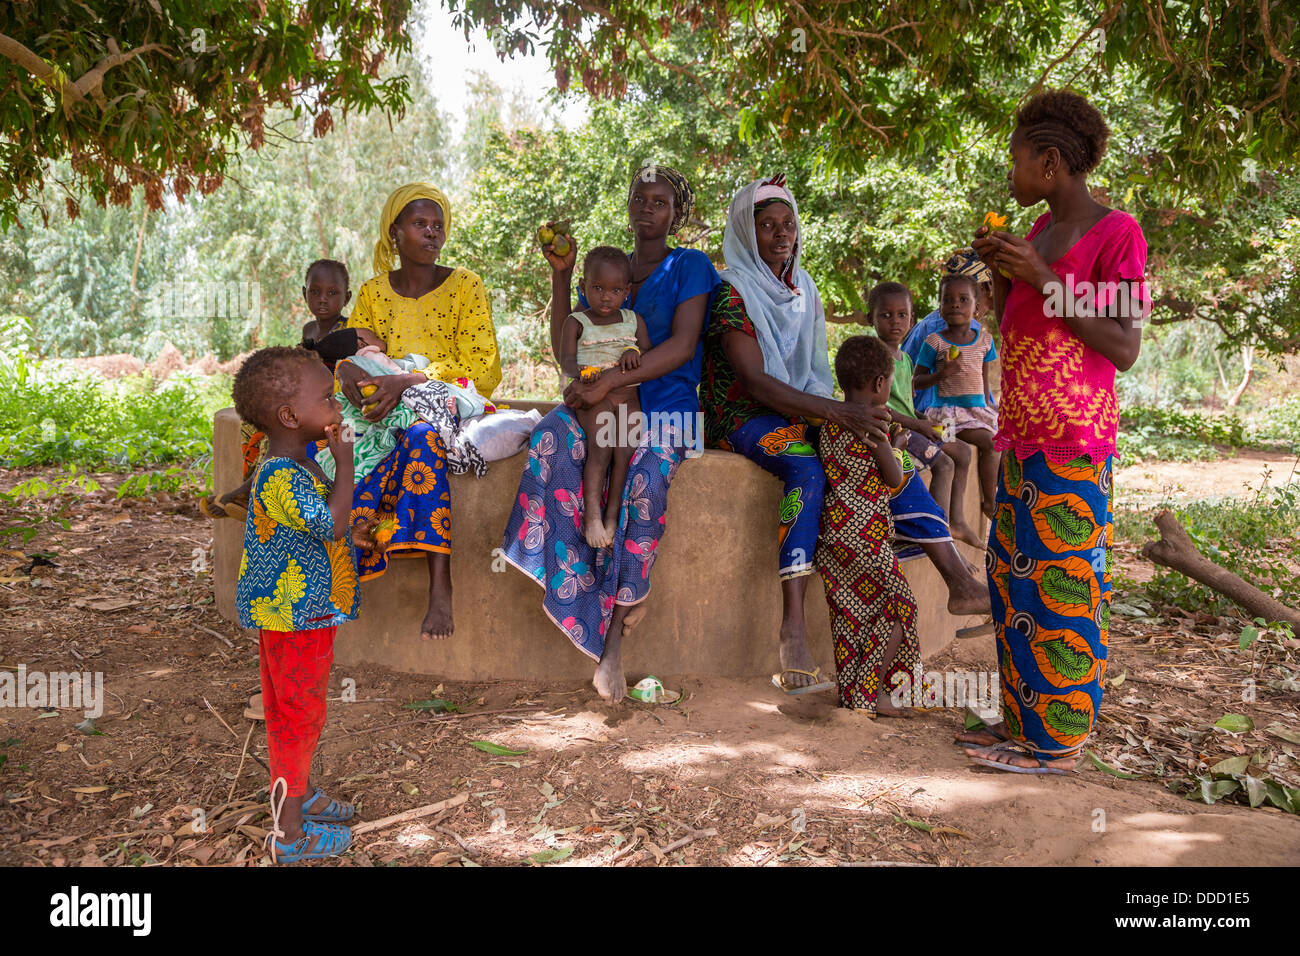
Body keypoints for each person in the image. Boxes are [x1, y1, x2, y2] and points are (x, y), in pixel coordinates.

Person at [958, 89, 1148, 773]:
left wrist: (1040, 275)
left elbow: (1123, 346)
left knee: (1061, 589)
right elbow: (1020, 319)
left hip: (1075, 441)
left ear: (1050, 161)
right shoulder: (1036, 235)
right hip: (1019, 436)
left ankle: (1058, 742)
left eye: (1017, 160)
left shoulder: (1117, 233)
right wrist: (1001, 276)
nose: (1010, 174)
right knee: (1014, 583)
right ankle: (1021, 726)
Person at [500, 164, 719, 702]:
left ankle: (615, 638)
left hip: (666, 411)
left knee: (643, 478)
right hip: (592, 402)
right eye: (639, 199)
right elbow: (566, 351)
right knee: (551, 441)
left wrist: (610, 384)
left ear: (676, 212)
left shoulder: (689, 266)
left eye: (660, 201)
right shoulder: (607, 269)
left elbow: (683, 346)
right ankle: (574, 588)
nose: (648, 208)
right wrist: (561, 275)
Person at [700, 173, 889, 695]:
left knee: (871, 448)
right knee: (805, 466)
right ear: (746, 232)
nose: (781, 235)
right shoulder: (731, 291)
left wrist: (841, 416)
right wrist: (834, 414)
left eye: (787, 225)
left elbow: (811, 372)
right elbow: (756, 382)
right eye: (766, 226)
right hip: (737, 417)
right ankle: (793, 628)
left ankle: (935, 560)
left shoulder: (803, 288)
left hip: (792, 409)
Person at [333, 182, 502, 641]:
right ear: (395, 233)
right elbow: (352, 354)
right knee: (341, 439)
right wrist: (351, 375)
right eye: (419, 224)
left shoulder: (465, 285)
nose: (432, 234)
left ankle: (439, 584)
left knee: (421, 435)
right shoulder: (371, 292)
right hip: (381, 401)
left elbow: (482, 367)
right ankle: (361, 541)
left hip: (448, 399)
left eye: (438, 225)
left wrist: (406, 381)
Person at [231, 347, 359, 862]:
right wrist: (345, 461)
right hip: (295, 616)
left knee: (294, 710)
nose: (337, 407)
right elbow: (331, 523)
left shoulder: (297, 463)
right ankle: (290, 835)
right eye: (327, 398)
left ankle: (299, 797)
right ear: (289, 416)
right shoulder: (281, 475)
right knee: (298, 714)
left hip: (300, 613)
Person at [865, 282, 990, 616]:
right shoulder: (873, 357)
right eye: (886, 315)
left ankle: (956, 523)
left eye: (902, 315)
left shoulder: (903, 357)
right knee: (945, 465)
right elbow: (876, 405)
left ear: (913, 317)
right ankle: (938, 532)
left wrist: (924, 409)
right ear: (870, 318)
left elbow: (907, 392)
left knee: (961, 452)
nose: (895, 321)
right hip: (894, 430)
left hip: (913, 422)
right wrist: (917, 424)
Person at [814, 335, 922, 717]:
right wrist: (900, 448)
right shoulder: (873, 425)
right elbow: (893, 478)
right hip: (867, 536)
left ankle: (852, 695)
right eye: (890, 383)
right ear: (879, 383)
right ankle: (869, 694)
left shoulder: (829, 424)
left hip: (833, 534)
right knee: (899, 607)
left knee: (849, 616)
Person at [557, 246, 652, 548]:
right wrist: (584, 372)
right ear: (583, 287)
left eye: (614, 290)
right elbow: (567, 362)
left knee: (626, 451)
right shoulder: (576, 322)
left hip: (628, 397)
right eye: (597, 288)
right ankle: (592, 518)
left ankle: (612, 516)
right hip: (594, 398)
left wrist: (632, 352)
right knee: (601, 446)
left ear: (626, 291)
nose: (606, 297)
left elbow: (647, 354)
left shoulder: (633, 320)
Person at [912, 271, 1000, 518]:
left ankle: (992, 500)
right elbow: (915, 382)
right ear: (940, 308)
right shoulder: (935, 341)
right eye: (948, 300)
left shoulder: (984, 340)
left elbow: (983, 384)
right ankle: (986, 505)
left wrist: (991, 409)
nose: (955, 305)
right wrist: (941, 375)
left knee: (1001, 440)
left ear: (977, 306)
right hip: (945, 416)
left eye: (963, 300)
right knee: (972, 450)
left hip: (973, 414)